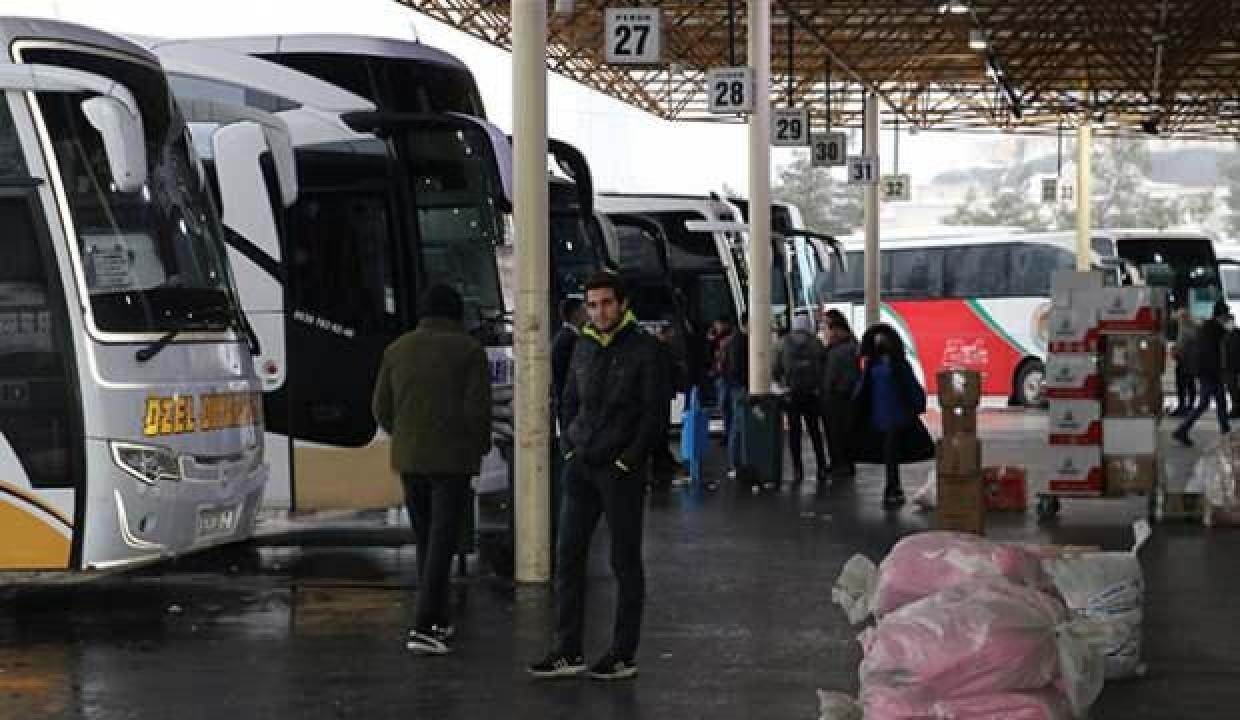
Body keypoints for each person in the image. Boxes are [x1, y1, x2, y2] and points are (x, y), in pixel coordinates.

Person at [529, 272, 665, 681]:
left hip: (619, 472)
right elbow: (567, 400)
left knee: (624, 562)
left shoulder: (646, 350)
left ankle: (622, 653)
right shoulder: (583, 345)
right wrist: (570, 446)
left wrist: (629, 461)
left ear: (622, 304)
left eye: (606, 303)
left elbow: (655, 415)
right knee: (568, 558)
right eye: (592, 304)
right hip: (582, 466)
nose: (599, 311)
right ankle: (567, 649)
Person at [372, 284, 492, 656]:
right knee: (442, 542)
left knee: (427, 539)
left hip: (410, 459)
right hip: (452, 461)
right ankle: (424, 626)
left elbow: (380, 407)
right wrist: (479, 446)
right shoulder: (469, 351)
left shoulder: (397, 349)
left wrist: (405, 434)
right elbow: (477, 410)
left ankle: (437, 617)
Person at [849, 324, 933, 507]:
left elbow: (910, 386)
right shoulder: (876, 365)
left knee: (890, 452)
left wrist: (917, 404)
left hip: (894, 416)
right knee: (890, 452)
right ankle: (893, 488)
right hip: (882, 415)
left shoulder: (894, 365)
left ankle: (892, 487)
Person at [774, 313, 828, 487]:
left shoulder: (783, 343)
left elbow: (774, 369)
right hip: (811, 394)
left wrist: (783, 383)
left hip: (792, 394)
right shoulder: (816, 343)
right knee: (814, 431)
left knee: (794, 434)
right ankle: (821, 466)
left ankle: (798, 470)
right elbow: (824, 366)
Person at [1174, 300, 1233, 447]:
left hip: (1206, 370)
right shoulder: (1216, 329)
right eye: (1226, 315)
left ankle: (1225, 431)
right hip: (1210, 372)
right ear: (1222, 315)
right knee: (1207, 404)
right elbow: (1216, 352)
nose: (1228, 318)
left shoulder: (1208, 326)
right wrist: (1220, 372)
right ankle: (1182, 430)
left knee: (1218, 403)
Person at [821, 310, 860, 482]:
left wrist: (825, 391)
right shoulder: (852, 345)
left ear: (836, 329)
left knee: (836, 432)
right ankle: (843, 463)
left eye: (827, 327)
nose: (825, 331)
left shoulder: (838, 351)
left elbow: (831, 376)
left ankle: (840, 464)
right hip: (846, 394)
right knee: (842, 432)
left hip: (837, 396)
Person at [651, 322, 689, 489]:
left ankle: (661, 463)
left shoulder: (658, 349)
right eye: (670, 333)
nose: (672, 337)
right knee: (659, 429)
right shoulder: (659, 350)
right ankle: (659, 465)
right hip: (660, 395)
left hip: (662, 394)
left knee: (661, 429)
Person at [721, 312, 750, 490]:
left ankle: (736, 463)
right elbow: (737, 367)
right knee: (737, 427)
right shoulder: (740, 341)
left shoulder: (734, 340)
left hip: (734, 386)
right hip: (739, 388)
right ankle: (735, 463)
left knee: (736, 426)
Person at [552, 297, 587, 425]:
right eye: (584, 310)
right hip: (571, 405)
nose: (588, 313)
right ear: (576, 313)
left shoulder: (564, 337)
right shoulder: (569, 340)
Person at [706, 317, 735, 444]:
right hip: (722, 376)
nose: (715, 326)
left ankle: (729, 434)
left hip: (725, 376)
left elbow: (718, 357)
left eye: (717, 324)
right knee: (724, 407)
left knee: (725, 406)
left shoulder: (726, 339)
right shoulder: (718, 338)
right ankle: (728, 433)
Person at [1171, 304, 1199, 417]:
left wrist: (1176, 350)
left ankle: (1183, 407)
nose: (1178, 320)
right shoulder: (1189, 327)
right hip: (1188, 361)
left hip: (1185, 361)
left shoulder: (1187, 329)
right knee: (1189, 384)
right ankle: (1188, 406)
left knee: (1182, 385)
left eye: (1179, 318)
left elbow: (1183, 345)